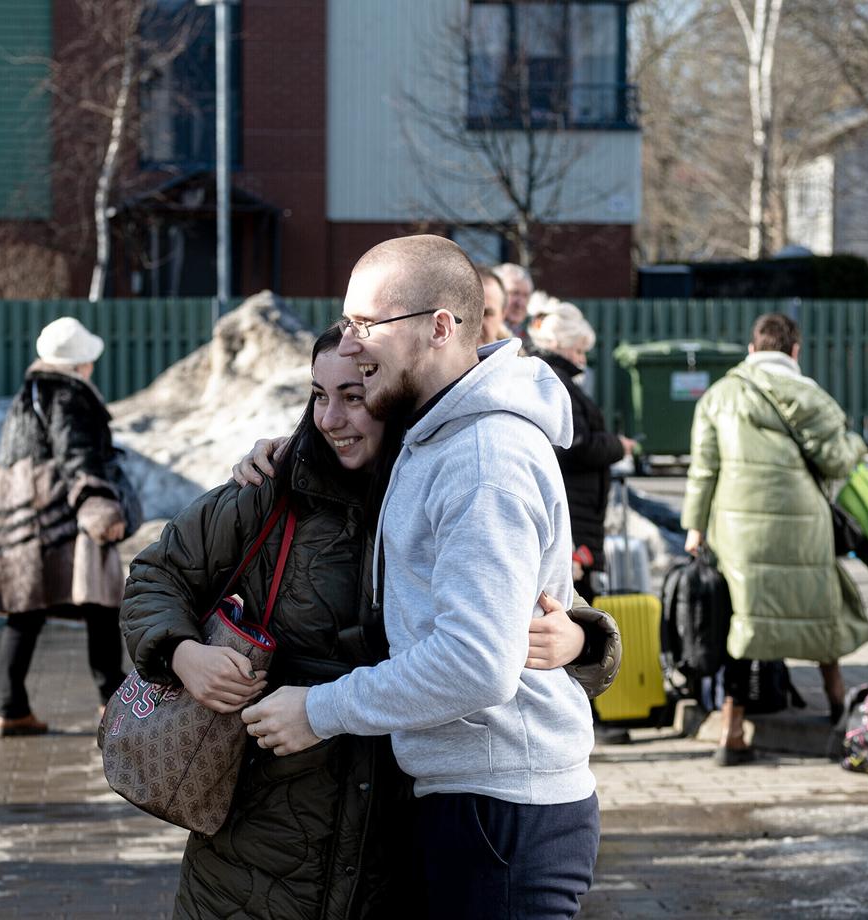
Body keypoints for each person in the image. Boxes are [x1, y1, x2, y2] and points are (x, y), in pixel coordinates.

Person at [120, 325, 619, 920]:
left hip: (397, 838)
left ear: (395, 398)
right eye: (318, 395)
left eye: (354, 397)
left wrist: (584, 639)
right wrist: (182, 654)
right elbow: (155, 577)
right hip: (263, 845)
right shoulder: (266, 492)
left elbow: (510, 621)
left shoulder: (448, 480)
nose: (331, 418)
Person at [244, 235, 602, 920]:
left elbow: (475, 664)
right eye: (346, 323)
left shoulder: (482, 458)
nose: (350, 345)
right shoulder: (434, 431)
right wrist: (294, 452)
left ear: (439, 327)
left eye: (366, 324)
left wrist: (317, 711)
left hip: (500, 812)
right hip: (472, 797)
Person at [681, 312, 868, 765]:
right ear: (794, 351)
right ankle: (839, 712)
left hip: (739, 531)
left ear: (752, 350)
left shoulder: (720, 395)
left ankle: (731, 732)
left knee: (747, 623)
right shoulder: (812, 396)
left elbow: (703, 468)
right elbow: (838, 462)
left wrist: (695, 526)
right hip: (804, 526)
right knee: (820, 613)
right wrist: (859, 445)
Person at [0, 317, 129, 737]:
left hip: (22, 516)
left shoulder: (30, 391)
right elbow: (75, 452)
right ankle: (112, 702)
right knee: (101, 604)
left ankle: (12, 708)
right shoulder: (67, 394)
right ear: (80, 364)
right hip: (64, 517)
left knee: (25, 611)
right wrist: (98, 505)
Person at [528, 309, 635, 599]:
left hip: (579, 507)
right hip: (575, 508)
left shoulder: (551, 378)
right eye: (578, 350)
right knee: (575, 602)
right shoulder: (556, 381)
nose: (583, 359)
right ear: (560, 344)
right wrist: (616, 446)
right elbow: (574, 444)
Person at [492, 262, 533, 342]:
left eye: (526, 295)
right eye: (514, 293)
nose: (521, 303)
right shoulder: (483, 336)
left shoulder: (534, 336)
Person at [477, 264, 513, 345]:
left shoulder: (517, 356)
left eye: (486, 314)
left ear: (503, 314)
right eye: (468, 313)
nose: (476, 324)